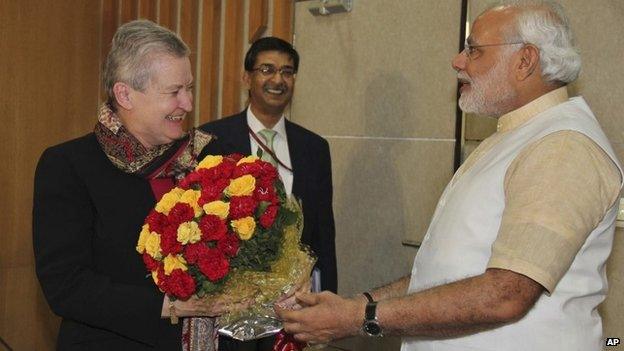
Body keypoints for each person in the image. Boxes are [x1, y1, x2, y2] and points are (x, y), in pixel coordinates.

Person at [276, 1, 623, 350]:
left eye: (474, 50)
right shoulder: (515, 137)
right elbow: (445, 274)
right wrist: (358, 304)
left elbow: (506, 294)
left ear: (525, 60)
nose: (458, 61)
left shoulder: (561, 147)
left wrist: (360, 318)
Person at [33, 20, 229, 350]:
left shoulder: (207, 155)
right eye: (174, 92)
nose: (188, 104)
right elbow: (66, 285)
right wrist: (171, 307)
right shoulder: (69, 166)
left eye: (189, 88)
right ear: (125, 94)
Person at [200, 36, 337, 351]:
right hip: (231, 307)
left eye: (287, 72)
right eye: (267, 70)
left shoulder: (315, 148)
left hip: (292, 308)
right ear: (247, 78)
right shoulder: (212, 139)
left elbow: (324, 231)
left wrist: (326, 299)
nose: (278, 80)